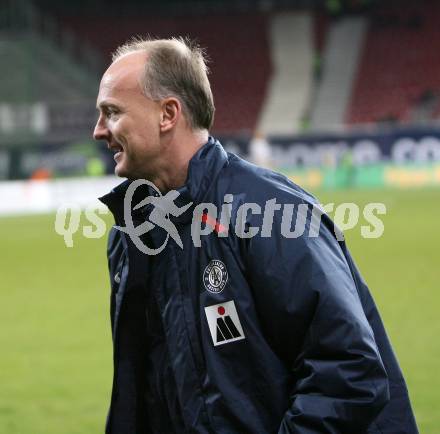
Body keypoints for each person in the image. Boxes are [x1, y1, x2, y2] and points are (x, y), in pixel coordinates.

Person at [94, 37, 418, 433]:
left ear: (168, 114)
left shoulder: (271, 213)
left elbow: (349, 373)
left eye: (111, 112)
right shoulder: (134, 234)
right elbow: (148, 391)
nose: (98, 131)